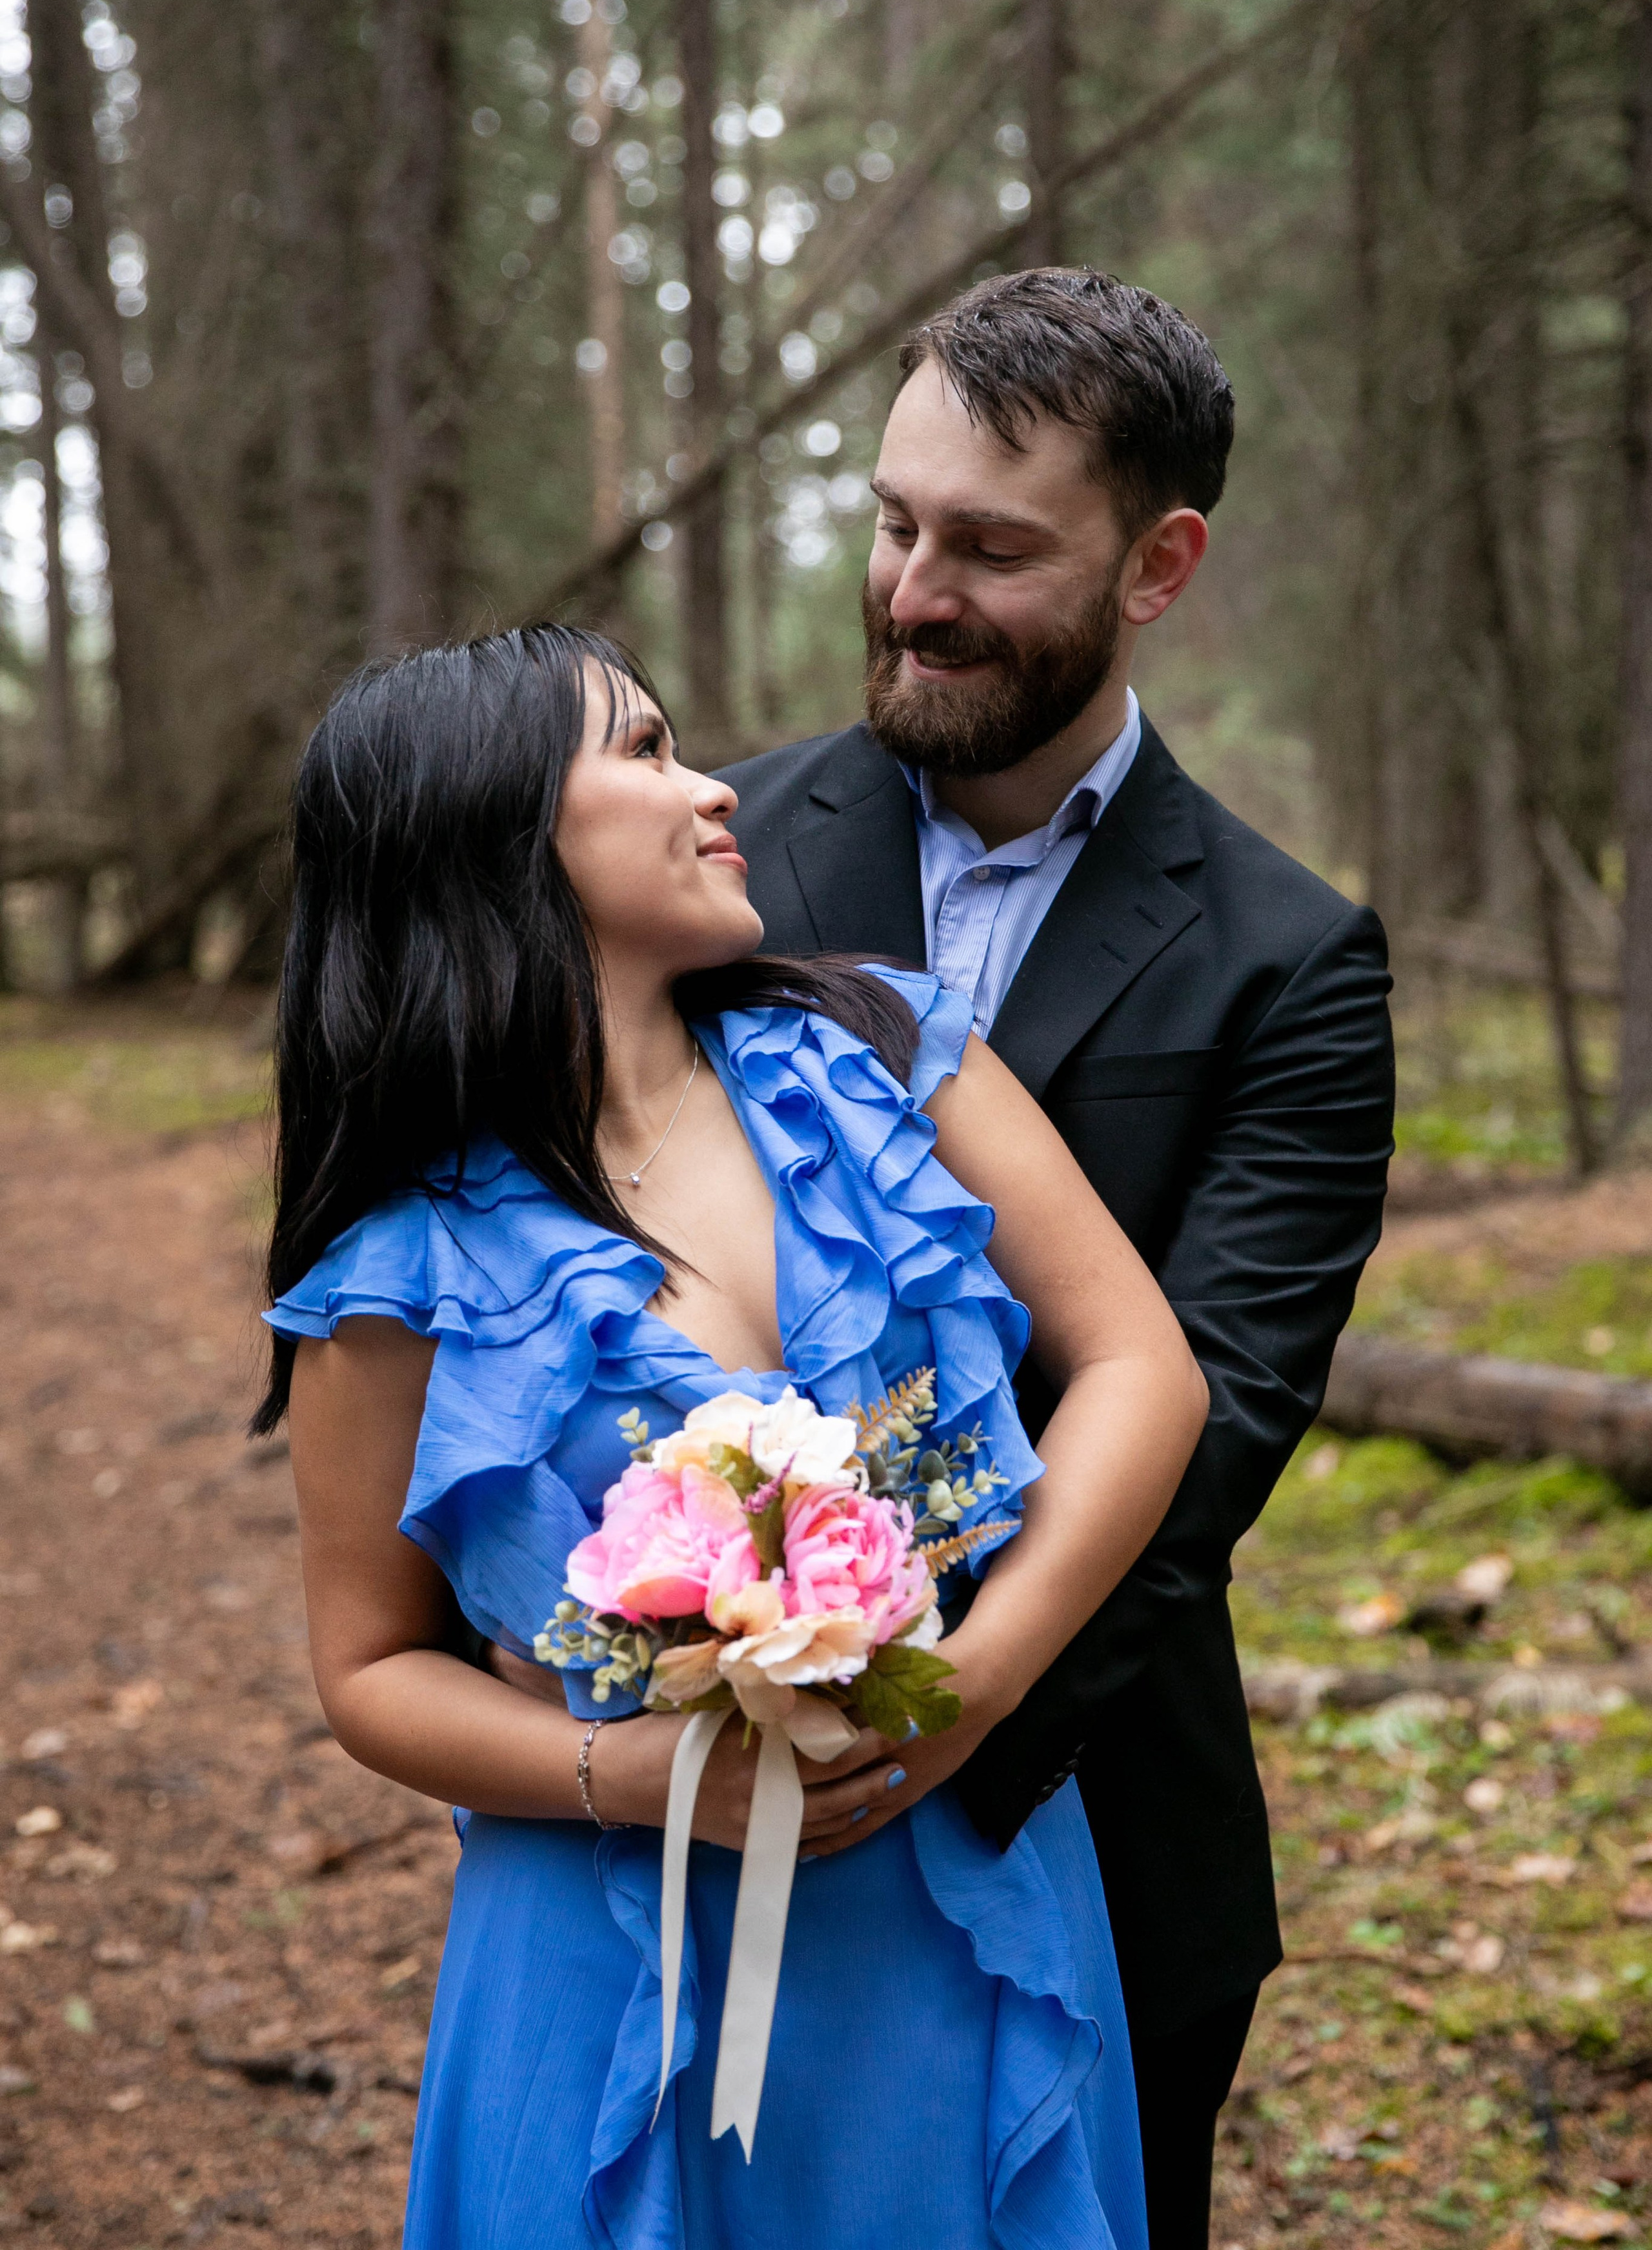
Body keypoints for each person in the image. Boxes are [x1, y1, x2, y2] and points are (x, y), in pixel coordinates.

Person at [258, 623, 1211, 2250]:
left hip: (953, 1883)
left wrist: (972, 1692)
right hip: (609, 1928)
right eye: (636, 751)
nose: (711, 788)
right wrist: (623, 1774)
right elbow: (368, 1670)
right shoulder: (394, 1277)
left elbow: (1142, 1367)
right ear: (491, 833)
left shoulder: (887, 1050)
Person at [718, 267, 1396, 2248]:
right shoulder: (712, 857)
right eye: (896, 521)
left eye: (993, 549)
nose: (913, 590)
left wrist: (927, 1712)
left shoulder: (1289, 958)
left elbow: (1220, 1419)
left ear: (1158, 564)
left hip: (1096, 1809)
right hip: (704, 1772)